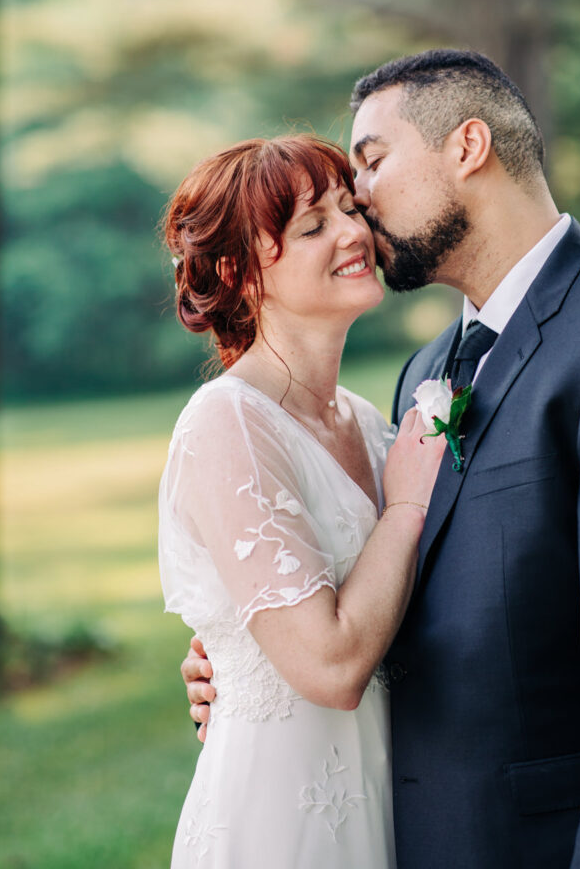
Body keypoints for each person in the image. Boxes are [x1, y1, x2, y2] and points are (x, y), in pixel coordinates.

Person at [184, 50, 580, 868]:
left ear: (468, 147)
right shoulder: (429, 369)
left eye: (371, 162)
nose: (359, 201)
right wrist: (243, 650)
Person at [158, 133, 444, 869]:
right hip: (278, 820)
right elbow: (328, 668)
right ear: (238, 273)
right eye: (313, 226)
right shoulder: (227, 424)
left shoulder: (372, 425)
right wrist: (405, 508)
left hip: (383, 800)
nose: (354, 232)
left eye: (350, 208)